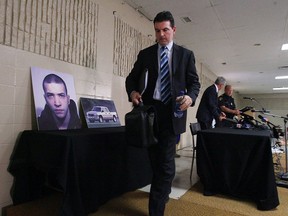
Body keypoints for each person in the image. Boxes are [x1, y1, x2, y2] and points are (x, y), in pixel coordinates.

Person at [125, 11, 200, 216]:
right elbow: (131, 79)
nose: (161, 35)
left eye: (165, 30)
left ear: (173, 30)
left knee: (165, 163)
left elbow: (194, 83)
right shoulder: (146, 54)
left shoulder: (186, 55)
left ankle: (155, 211)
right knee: (155, 161)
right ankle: (164, 190)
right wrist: (133, 92)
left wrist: (190, 97)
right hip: (150, 114)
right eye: (157, 31)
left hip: (172, 113)